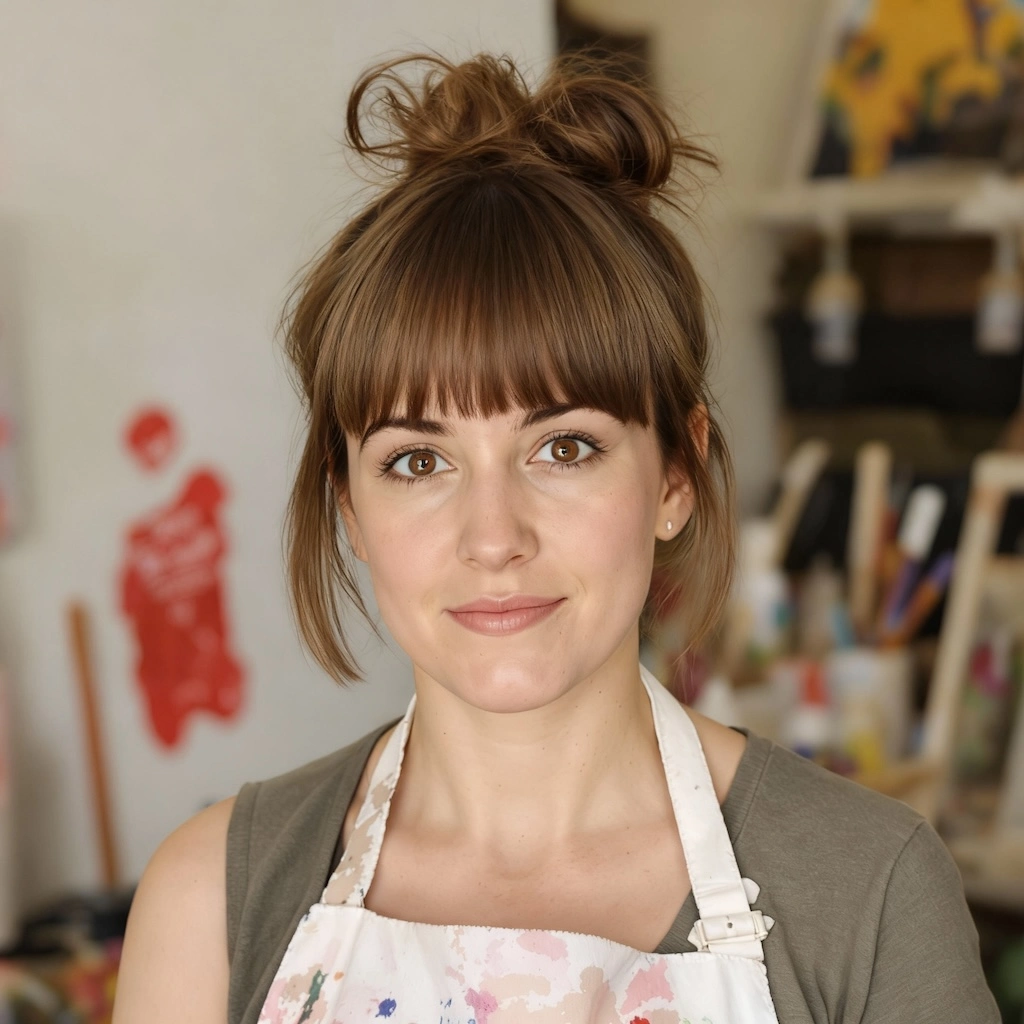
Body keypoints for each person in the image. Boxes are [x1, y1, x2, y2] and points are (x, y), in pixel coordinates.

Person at [111, 51, 1000, 1024]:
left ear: (675, 475)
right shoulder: (209, 900)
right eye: (418, 460)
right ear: (349, 507)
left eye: (563, 447)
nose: (493, 538)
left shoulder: (869, 892)